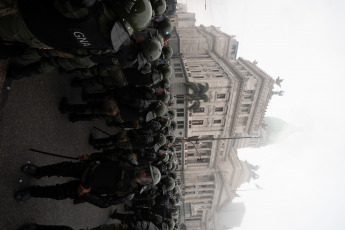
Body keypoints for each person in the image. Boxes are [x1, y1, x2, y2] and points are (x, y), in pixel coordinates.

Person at [14, 160, 161, 208]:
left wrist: (87, 195)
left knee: (58, 193)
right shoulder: (128, 164)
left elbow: (105, 202)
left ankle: (32, 192)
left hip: (86, 188)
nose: (143, 174)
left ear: (146, 183)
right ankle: (37, 171)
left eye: (147, 176)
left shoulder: (128, 194)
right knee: (60, 168)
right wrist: (90, 157)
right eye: (145, 171)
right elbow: (108, 157)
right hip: (89, 169)